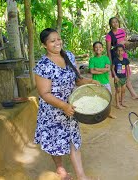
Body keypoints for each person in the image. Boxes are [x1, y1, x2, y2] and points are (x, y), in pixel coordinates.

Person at [34, 28, 97, 180]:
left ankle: (81, 176)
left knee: (73, 141)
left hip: (71, 106)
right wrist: (63, 106)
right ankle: (60, 168)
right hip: (53, 111)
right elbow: (44, 94)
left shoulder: (68, 55)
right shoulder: (43, 65)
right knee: (54, 141)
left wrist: (90, 82)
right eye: (52, 41)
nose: (57, 43)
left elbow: (77, 79)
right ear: (44, 45)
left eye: (58, 39)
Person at [105, 16, 138, 99]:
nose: (115, 23)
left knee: (127, 74)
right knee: (120, 76)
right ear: (110, 24)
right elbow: (108, 50)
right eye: (113, 22)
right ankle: (123, 97)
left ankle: (133, 94)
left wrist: (124, 42)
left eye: (116, 22)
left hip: (124, 57)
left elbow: (126, 42)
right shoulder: (109, 35)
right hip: (116, 59)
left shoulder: (122, 31)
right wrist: (111, 62)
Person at [89, 41, 116, 119]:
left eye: (100, 47)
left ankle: (109, 113)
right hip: (96, 83)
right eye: (96, 47)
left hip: (105, 82)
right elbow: (91, 71)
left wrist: (97, 69)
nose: (98, 49)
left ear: (102, 48)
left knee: (108, 98)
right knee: (96, 98)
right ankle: (97, 114)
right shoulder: (92, 59)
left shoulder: (106, 58)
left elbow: (108, 69)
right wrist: (103, 69)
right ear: (93, 49)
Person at [112, 44, 130, 109]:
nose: (120, 52)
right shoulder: (115, 60)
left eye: (121, 50)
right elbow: (112, 68)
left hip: (124, 78)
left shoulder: (126, 60)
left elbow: (127, 69)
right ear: (116, 52)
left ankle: (122, 102)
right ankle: (117, 104)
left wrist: (128, 78)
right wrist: (115, 76)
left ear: (124, 51)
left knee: (123, 90)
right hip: (117, 79)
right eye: (118, 51)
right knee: (118, 91)